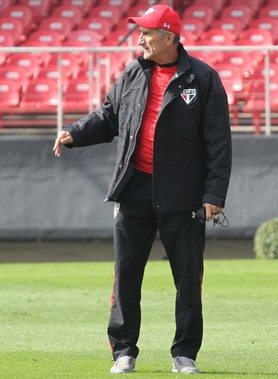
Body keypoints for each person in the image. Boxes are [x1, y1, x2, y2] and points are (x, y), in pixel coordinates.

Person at [53, 4, 232, 374]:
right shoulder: (133, 71)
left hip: (182, 195)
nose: (140, 39)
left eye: (148, 33)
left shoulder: (203, 78)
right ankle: (123, 352)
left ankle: (184, 354)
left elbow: (219, 143)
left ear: (169, 36)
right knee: (126, 275)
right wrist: (76, 132)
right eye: (141, 32)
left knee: (187, 278)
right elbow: (109, 116)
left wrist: (214, 195)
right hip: (134, 188)